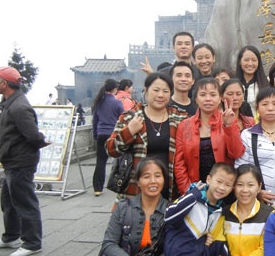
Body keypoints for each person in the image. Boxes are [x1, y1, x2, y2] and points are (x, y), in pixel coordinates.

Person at [0, 66, 49, 256]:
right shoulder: (10, 103)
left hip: (21, 162)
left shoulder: (19, 106)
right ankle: (11, 236)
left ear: (4, 83)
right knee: (8, 201)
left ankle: (32, 242)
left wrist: (41, 141)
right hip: (12, 161)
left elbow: (32, 135)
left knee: (24, 202)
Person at [106, 72, 187, 200]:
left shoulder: (180, 117)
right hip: (135, 191)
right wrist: (129, 131)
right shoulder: (131, 117)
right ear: (146, 90)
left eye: (165, 91)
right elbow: (111, 149)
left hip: (170, 191)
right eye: (156, 90)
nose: (160, 95)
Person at [174, 78, 245, 195]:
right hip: (194, 189)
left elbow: (236, 153)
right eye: (202, 95)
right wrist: (188, 191)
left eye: (213, 94)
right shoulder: (184, 126)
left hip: (224, 190)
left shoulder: (229, 120)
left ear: (220, 98)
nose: (208, 99)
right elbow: (179, 164)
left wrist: (228, 126)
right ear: (196, 99)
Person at [235, 88, 275, 207]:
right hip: (257, 199)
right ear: (257, 108)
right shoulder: (247, 134)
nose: (270, 108)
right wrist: (256, 191)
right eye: (264, 104)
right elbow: (241, 167)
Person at [92, 79, 124, 196]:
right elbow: (123, 118)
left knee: (100, 162)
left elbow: (95, 121)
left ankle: (97, 188)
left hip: (101, 134)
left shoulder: (98, 102)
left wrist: (95, 135)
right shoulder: (117, 103)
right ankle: (119, 184)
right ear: (114, 89)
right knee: (120, 160)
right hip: (113, 135)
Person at [235, 45, 270, 113]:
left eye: (254, 60)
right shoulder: (233, 83)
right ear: (239, 61)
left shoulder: (266, 83)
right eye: (246, 60)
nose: (250, 64)